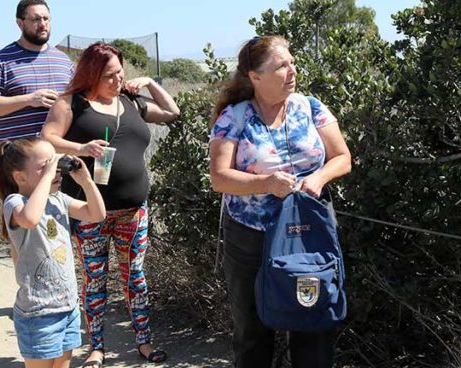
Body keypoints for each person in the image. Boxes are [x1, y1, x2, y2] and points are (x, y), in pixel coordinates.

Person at [207, 35, 352, 368]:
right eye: (281, 66)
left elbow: (342, 157)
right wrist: (266, 184)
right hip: (250, 239)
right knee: (253, 332)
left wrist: (318, 178)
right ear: (255, 77)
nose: (292, 70)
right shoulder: (234, 117)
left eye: (292, 62)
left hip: (310, 233)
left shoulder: (311, 107)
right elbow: (219, 178)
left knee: (314, 319)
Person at [41, 42, 180, 366]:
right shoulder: (72, 103)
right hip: (88, 211)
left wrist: (148, 83)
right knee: (95, 280)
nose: (117, 81)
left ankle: (144, 343)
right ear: (91, 74)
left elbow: (172, 113)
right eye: (108, 75)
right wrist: (82, 146)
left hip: (133, 210)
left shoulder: (130, 101)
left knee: (136, 278)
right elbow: (48, 137)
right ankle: (96, 349)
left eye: (120, 73)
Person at [0, 138, 106, 368]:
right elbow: (30, 218)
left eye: (56, 165)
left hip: (67, 307)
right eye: (45, 166)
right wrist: (48, 176)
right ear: (20, 177)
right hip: (38, 313)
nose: (55, 171)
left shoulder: (59, 200)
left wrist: (86, 182)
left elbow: (97, 214)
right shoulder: (15, 202)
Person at [0, 0, 74, 143]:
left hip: (59, 158)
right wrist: (29, 100)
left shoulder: (63, 61)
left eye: (46, 19)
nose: (42, 24)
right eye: (36, 19)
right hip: (18, 158)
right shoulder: (1, 60)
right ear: (20, 23)